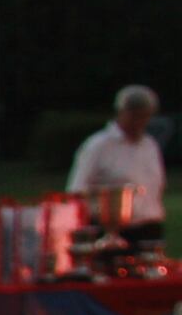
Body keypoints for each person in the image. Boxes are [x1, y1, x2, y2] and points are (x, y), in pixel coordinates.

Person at [66, 84, 167, 228]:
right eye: (135, 116)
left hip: (149, 224)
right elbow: (77, 190)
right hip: (111, 227)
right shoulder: (98, 146)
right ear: (121, 112)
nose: (140, 122)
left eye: (145, 116)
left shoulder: (149, 145)